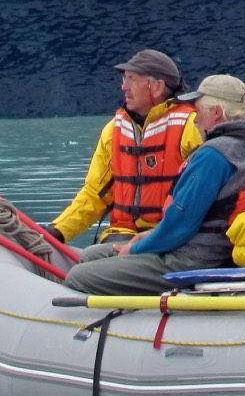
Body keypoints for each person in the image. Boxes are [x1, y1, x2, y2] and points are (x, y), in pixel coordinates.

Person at [62, 74, 245, 296]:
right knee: (91, 254)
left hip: (194, 259)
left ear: (216, 113)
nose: (195, 119)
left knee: (78, 275)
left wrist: (136, 248)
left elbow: (181, 225)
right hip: (225, 251)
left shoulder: (213, 156)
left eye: (198, 111)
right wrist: (148, 237)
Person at [23, 49, 207, 250]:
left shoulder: (191, 126)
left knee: (90, 261)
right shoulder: (114, 130)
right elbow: (95, 194)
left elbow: (204, 191)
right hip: (121, 236)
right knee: (96, 256)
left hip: (169, 236)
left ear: (157, 86)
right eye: (124, 79)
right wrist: (57, 231)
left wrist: (165, 233)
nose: (124, 87)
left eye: (131, 79)